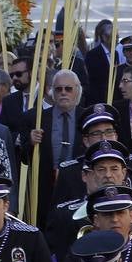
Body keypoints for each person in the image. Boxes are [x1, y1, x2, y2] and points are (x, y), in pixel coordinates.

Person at [19, 69, 84, 228]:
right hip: (44, 189)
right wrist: (30, 142)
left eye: (68, 89)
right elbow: (21, 157)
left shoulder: (86, 117)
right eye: (58, 89)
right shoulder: (35, 118)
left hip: (78, 185)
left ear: (77, 91)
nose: (63, 93)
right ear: (52, 92)